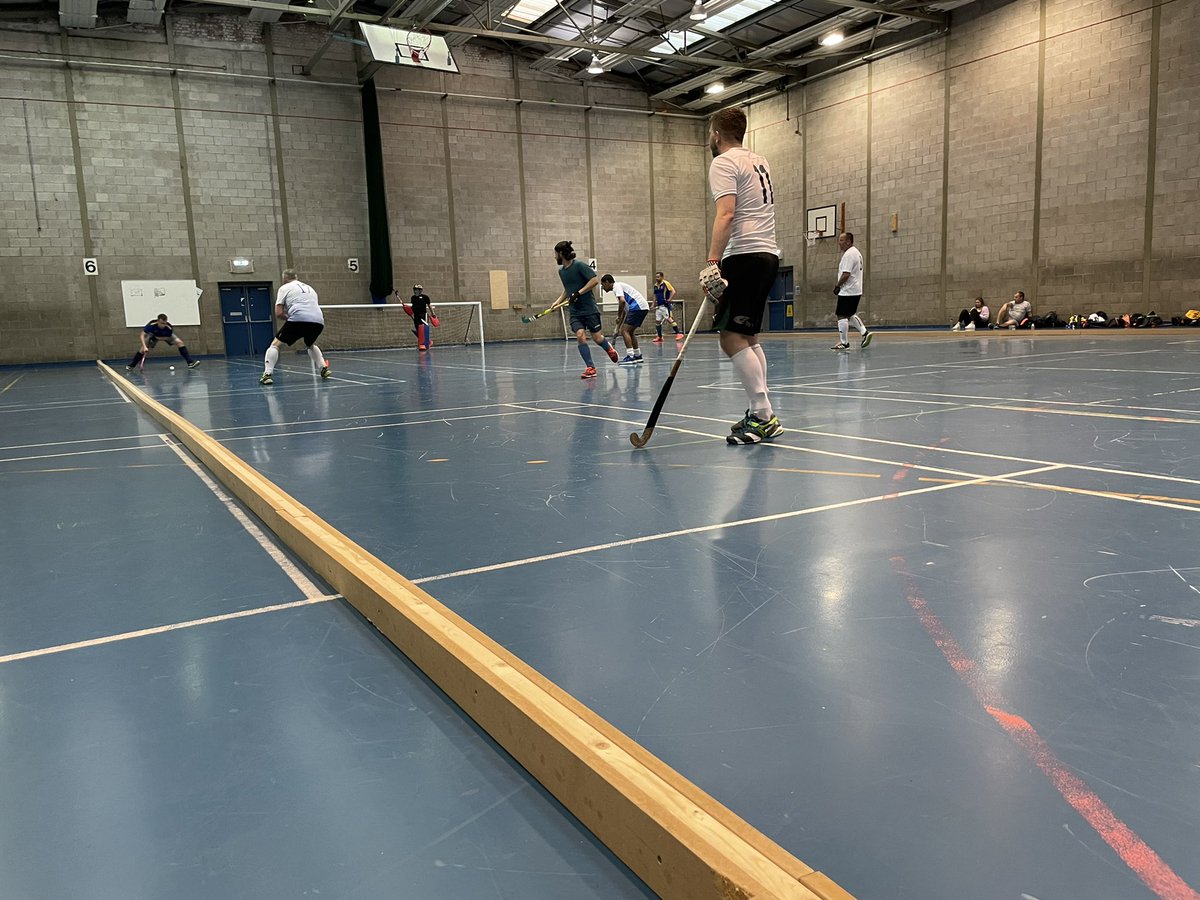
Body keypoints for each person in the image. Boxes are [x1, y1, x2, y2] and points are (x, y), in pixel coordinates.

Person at [703, 106, 783, 445]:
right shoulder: (759, 160)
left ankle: (763, 415)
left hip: (745, 254)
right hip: (768, 254)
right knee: (748, 337)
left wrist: (712, 261)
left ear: (717, 134)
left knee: (730, 337)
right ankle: (761, 411)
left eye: (710, 133)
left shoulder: (723, 162)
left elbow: (727, 213)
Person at [546, 240, 620, 379]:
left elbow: (594, 281)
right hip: (575, 311)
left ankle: (609, 348)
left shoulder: (579, 265)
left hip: (589, 309)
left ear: (561, 253)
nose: (555, 257)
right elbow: (567, 290)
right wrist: (557, 302)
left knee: (597, 338)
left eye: (555, 254)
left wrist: (579, 293)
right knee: (580, 335)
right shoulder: (561, 271)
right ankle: (590, 367)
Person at [259, 268, 330, 385]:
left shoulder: (284, 288)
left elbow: (279, 313)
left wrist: (288, 318)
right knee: (310, 344)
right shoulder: (310, 288)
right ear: (296, 277)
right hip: (318, 321)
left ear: (284, 278)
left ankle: (267, 374)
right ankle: (323, 368)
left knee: (275, 345)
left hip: (298, 318)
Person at [831, 232, 874, 350]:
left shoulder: (849, 255)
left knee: (841, 315)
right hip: (856, 289)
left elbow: (846, 274)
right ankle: (865, 333)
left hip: (848, 290)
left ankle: (844, 343)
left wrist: (837, 286)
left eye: (841, 240)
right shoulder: (857, 253)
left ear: (848, 241)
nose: (839, 243)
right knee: (850, 314)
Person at [602, 274, 648, 365]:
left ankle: (630, 356)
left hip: (637, 307)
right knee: (630, 332)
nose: (603, 288)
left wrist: (618, 317)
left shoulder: (616, 286)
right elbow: (624, 311)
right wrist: (617, 327)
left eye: (603, 285)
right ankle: (637, 355)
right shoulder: (619, 289)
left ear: (607, 282)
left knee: (625, 331)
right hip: (642, 307)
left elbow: (622, 302)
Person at [126, 314, 200, 371]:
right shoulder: (151, 325)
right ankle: (131, 365)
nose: (163, 325)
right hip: (153, 336)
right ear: (158, 321)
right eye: (161, 323)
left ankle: (190, 362)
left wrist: (158, 338)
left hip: (164, 336)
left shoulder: (168, 327)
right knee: (142, 349)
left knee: (179, 342)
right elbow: (142, 335)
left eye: (164, 323)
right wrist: (145, 346)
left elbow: (168, 337)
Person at [651, 272, 683, 342]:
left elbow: (673, 291)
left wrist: (669, 299)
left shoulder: (666, 283)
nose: (657, 278)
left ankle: (678, 333)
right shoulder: (655, 285)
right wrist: (653, 304)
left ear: (662, 277)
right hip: (659, 306)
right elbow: (655, 295)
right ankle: (659, 337)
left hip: (665, 306)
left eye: (658, 277)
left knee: (669, 319)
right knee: (657, 321)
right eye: (656, 277)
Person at [407, 283, 435, 351]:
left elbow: (429, 305)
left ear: (420, 290)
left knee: (423, 329)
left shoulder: (425, 297)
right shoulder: (413, 298)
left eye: (417, 290)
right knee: (418, 331)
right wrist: (408, 310)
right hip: (416, 316)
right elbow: (413, 306)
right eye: (414, 290)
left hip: (423, 315)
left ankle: (424, 344)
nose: (415, 291)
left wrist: (433, 313)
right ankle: (426, 342)